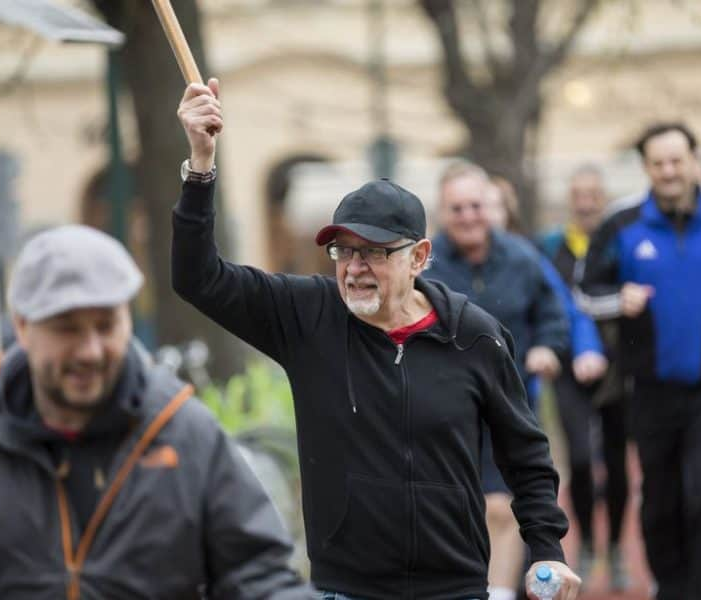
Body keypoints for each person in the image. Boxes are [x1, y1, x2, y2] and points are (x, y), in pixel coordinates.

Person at [173, 79, 581, 600]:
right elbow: (196, 278)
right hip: (344, 588)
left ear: (419, 256)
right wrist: (201, 165)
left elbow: (525, 455)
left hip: (454, 588)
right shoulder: (307, 315)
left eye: (374, 253)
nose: (355, 268)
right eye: (344, 251)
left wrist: (546, 549)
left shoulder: (475, 336)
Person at [0, 225, 312, 599]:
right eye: (67, 329)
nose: (90, 350)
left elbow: (258, 576)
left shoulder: (186, 435)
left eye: (106, 326)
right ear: (22, 326)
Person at [579, 123, 701, 600]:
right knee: (661, 504)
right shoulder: (621, 223)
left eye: (677, 160)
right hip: (647, 388)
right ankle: (671, 589)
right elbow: (586, 292)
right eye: (658, 163)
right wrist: (617, 298)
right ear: (646, 167)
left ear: (693, 161)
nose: (668, 171)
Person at [425, 163, 572, 600]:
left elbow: (553, 317)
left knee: (501, 506)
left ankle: (499, 592)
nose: (468, 215)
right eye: (457, 208)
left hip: (509, 405)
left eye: (475, 205)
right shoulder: (425, 264)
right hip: (444, 409)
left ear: (490, 207)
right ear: (442, 211)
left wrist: (547, 347)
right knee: (454, 509)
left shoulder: (523, 259)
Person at [537, 165, 631, 589]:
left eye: (593, 193)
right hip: (569, 369)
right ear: (570, 200)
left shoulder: (620, 246)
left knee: (616, 462)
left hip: (617, 370)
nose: (586, 201)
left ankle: (614, 548)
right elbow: (550, 306)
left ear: (604, 197)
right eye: (579, 194)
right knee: (576, 458)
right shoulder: (551, 248)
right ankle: (588, 543)